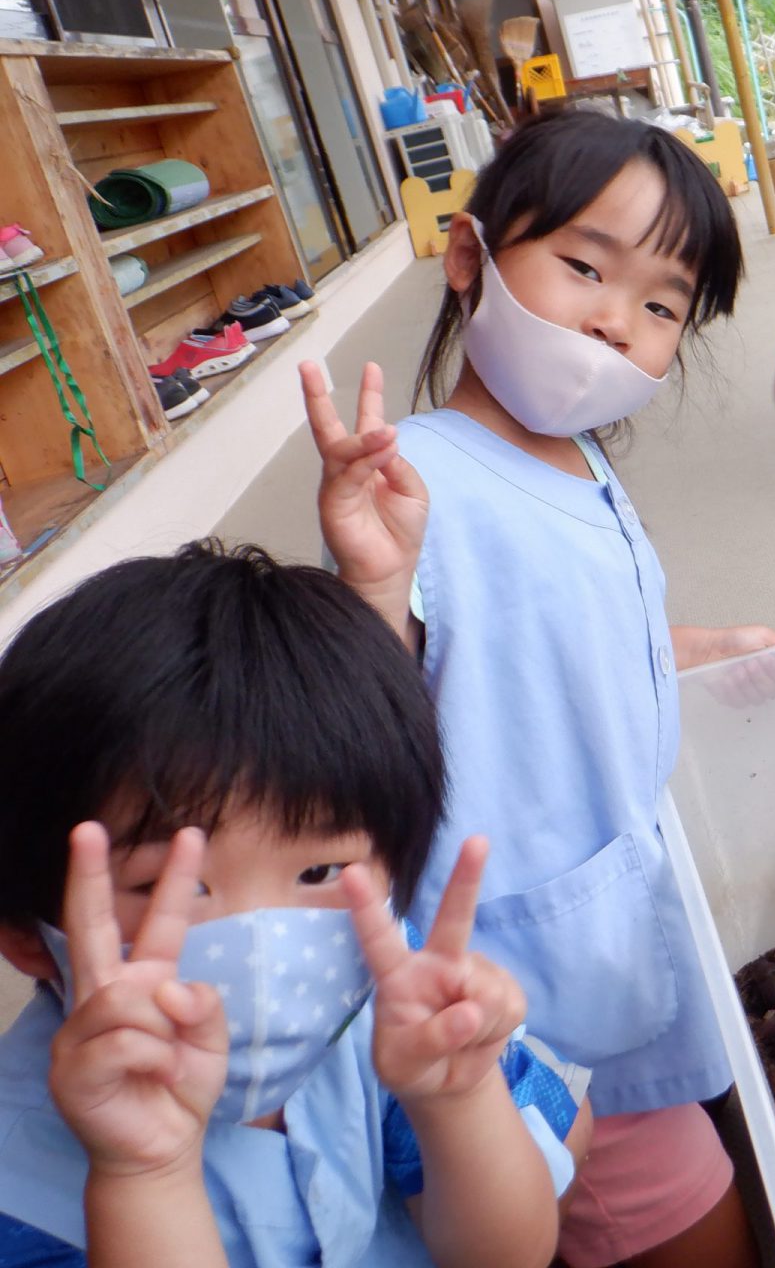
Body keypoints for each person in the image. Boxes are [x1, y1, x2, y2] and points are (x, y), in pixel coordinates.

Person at [305, 108, 775, 1268]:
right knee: (697, 1222)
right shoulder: (416, 486)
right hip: (524, 998)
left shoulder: (581, 458)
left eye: (663, 305)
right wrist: (371, 586)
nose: (617, 319)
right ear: (470, 258)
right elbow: (363, 716)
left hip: (610, 941)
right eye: (584, 267)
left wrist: (703, 648)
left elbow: (569, 642)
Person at [0, 543, 580, 1268]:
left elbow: (507, 1254)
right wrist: (144, 1174)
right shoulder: (18, 1194)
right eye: (171, 884)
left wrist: (456, 1101)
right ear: (27, 936)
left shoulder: (392, 1006)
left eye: (319, 871)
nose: (262, 948)